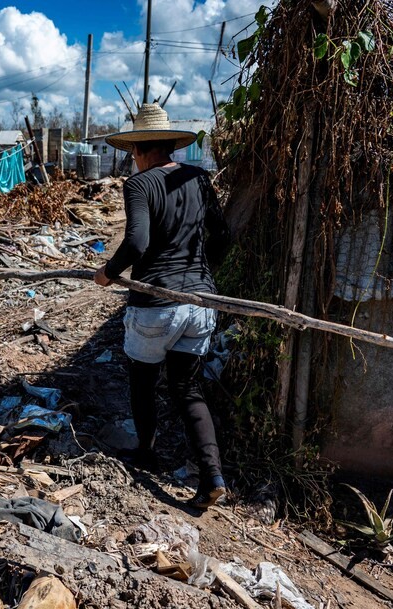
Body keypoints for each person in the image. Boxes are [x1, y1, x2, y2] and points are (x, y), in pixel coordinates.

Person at [93, 103, 231, 510]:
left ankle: (147, 453)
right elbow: (222, 235)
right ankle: (213, 477)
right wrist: (200, 274)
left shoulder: (139, 184)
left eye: (132, 153)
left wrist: (107, 273)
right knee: (187, 388)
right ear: (170, 145)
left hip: (156, 303)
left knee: (143, 381)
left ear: (139, 150)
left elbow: (137, 242)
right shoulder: (198, 178)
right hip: (200, 302)